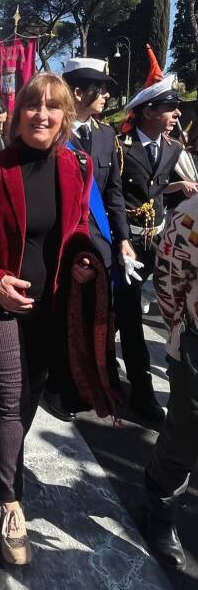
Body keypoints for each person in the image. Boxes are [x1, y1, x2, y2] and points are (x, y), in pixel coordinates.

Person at [0, 73, 103, 566]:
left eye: (53, 107)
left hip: (52, 307)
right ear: (18, 115)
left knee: (31, 391)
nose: (43, 114)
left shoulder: (78, 165)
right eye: (33, 106)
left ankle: (7, 462)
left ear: (65, 116)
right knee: (11, 393)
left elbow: (79, 226)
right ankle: (10, 500)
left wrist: (84, 258)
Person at [42, 58, 134, 421]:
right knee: (63, 320)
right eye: (100, 88)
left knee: (99, 319)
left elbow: (113, 194)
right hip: (62, 247)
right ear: (78, 92)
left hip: (100, 246)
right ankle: (58, 386)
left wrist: (123, 239)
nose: (107, 96)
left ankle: (95, 382)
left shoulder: (107, 136)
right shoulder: (51, 132)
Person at [116, 75, 198, 422]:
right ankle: (141, 391)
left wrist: (177, 185)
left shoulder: (175, 149)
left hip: (159, 245)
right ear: (149, 111)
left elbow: (157, 188)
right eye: (170, 107)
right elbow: (113, 195)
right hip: (126, 245)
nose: (177, 113)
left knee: (168, 315)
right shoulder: (119, 147)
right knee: (130, 316)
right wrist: (120, 241)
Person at [144, 193, 198, 570]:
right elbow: (169, 282)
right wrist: (182, 329)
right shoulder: (192, 216)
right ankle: (159, 509)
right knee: (184, 437)